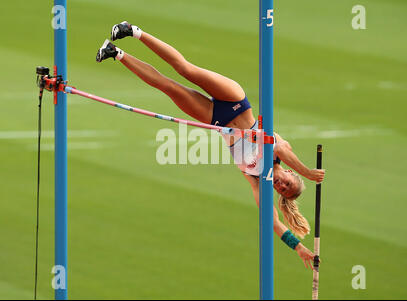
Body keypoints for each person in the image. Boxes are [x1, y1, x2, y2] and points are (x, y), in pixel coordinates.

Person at [96, 22, 325, 270]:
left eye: (282, 190)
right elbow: (279, 150)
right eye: (287, 183)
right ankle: (132, 31)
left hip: (215, 119)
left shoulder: (257, 181)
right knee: (185, 69)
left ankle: (115, 53)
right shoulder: (280, 151)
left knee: (168, 87)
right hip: (234, 101)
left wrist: (299, 248)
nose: (281, 185)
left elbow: (273, 223)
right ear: (290, 173)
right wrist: (308, 173)